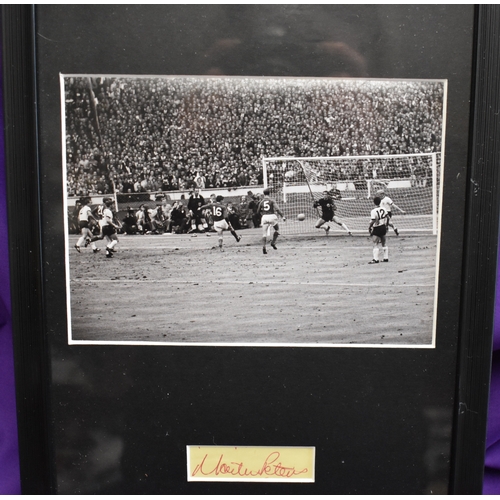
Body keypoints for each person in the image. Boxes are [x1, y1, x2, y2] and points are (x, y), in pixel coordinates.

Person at [257, 187, 286, 254]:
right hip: (272, 216)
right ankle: (273, 242)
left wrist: (263, 215)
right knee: (277, 230)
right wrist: (282, 216)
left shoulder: (261, 202)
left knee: (264, 234)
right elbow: (277, 209)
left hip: (264, 217)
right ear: (269, 193)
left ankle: (264, 247)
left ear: (263, 194)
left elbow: (258, 211)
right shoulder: (272, 200)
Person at [368, 196, 389, 264]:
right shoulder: (384, 209)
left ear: (374, 203)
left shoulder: (373, 211)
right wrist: (386, 225)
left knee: (375, 243)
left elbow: (373, 220)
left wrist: (369, 227)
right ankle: (386, 258)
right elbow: (388, 218)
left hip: (377, 228)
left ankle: (375, 259)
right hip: (383, 226)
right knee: (384, 243)